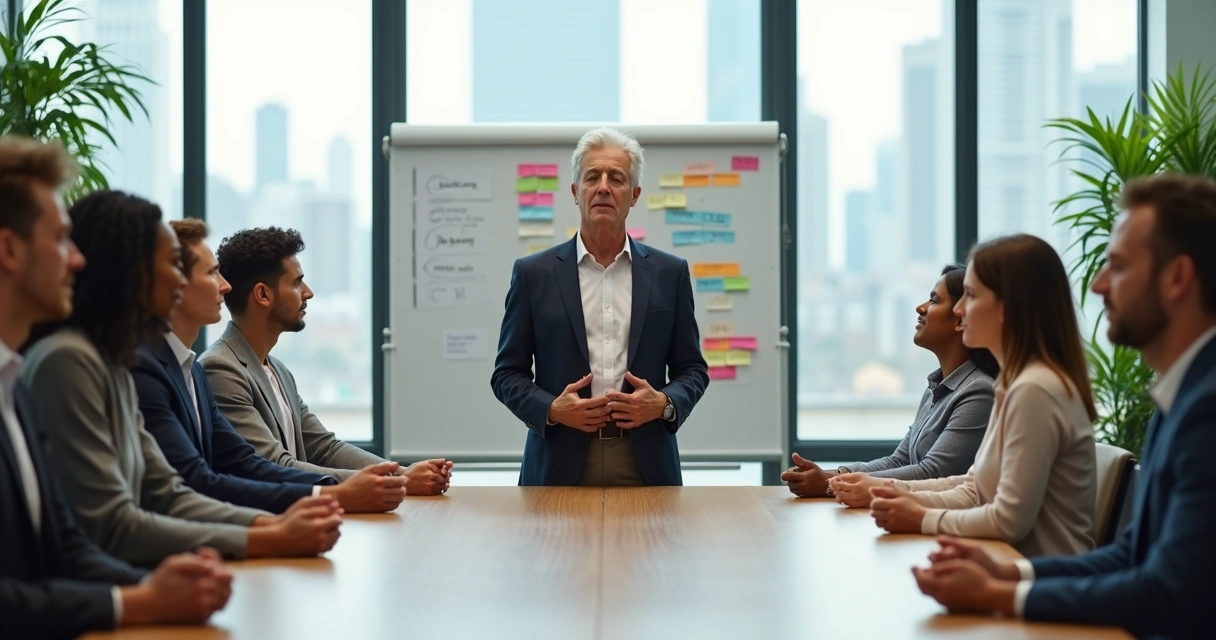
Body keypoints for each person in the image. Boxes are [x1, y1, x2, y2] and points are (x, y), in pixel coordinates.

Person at [912, 173, 1216, 639]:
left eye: (1117, 266)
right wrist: (1011, 576)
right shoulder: (1180, 398)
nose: (1097, 286)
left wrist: (1000, 595)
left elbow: (1167, 593)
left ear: (1176, 278)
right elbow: (1133, 554)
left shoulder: (1206, 409)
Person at [20, 190, 343, 567]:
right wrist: (271, 532)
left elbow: (169, 492)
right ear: (132, 272)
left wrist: (268, 530)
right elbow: (116, 522)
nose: (222, 285)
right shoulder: (75, 361)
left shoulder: (118, 361)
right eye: (174, 265)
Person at [0, 136, 231, 637]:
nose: (76, 260)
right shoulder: (62, 361)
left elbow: (67, 544)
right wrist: (139, 600)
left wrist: (151, 592)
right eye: (61, 239)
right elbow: (108, 526)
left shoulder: (15, 381)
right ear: (9, 249)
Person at [832, 234, 1098, 558]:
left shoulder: (1035, 389)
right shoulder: (1014, 384)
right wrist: (886, 491)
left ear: (1008, 306)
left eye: (970, 295)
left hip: (1037, 585)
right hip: (1005, 568)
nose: (959, 309)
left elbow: (1009, 520)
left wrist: (921, 517)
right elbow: (973, 489)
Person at [132, 219, 408, 514]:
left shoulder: (200, 372)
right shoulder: (210, 368)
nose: (225, 286)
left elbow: (271, 458)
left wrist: (390, 476)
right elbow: (210, 480)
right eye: (213, 273)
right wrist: (350, 490)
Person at [490, 127, 710, 486]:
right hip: (558, 462)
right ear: (576, 192)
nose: (604, 187)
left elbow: (693, 370)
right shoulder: (534, 274)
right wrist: (550, 410)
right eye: (592, 177)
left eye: (617, 178)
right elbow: (506, 374)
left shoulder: (670, 274)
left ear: (634, 195)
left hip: (647, 464)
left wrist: (664, 404)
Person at [199, 227, 451, 492]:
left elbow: (323, 448)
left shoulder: (278, 370)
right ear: (263, 295)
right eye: (296, 282)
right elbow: (273, 464)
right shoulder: (222, 369)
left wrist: (401, 472)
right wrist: (395, 481)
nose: (308, 292)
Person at [782, 264, 998, 497]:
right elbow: (899, 461)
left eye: (934, 301)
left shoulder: (979, 392)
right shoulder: (937, 388)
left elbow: (934, 473)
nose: (921, 307)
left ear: (960, 320)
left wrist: (830, 484)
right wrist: (834, 474)